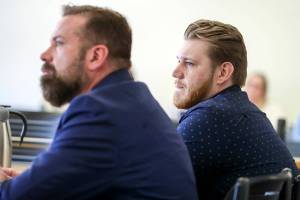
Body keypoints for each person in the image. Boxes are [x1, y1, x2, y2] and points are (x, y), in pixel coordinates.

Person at [0, 5, 198, 200]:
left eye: (58, 43)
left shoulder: (100, 113)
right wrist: (33, 182)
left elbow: (14, 197)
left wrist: (9, 186)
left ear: (95, 56)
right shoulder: (131, 100)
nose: (45, 55)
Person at [172, 19, 298, 200]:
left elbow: (153, 185)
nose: (176, 71)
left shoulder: (208, 118)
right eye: (178, 61)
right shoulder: (249, 113)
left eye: (189, 63)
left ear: (223, 73)